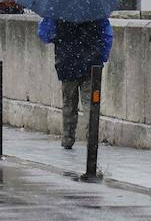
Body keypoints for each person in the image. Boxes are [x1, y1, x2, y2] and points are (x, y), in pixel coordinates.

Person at [38, 15, 113, 149]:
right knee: (91, 106)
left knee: (69, 104)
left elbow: (45, 35)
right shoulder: (96, 12)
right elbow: (106, 36)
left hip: (67, 63)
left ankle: (68, 138)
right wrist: (101, 56)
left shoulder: (59, 11)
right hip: (91, 64)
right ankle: (92, 139)